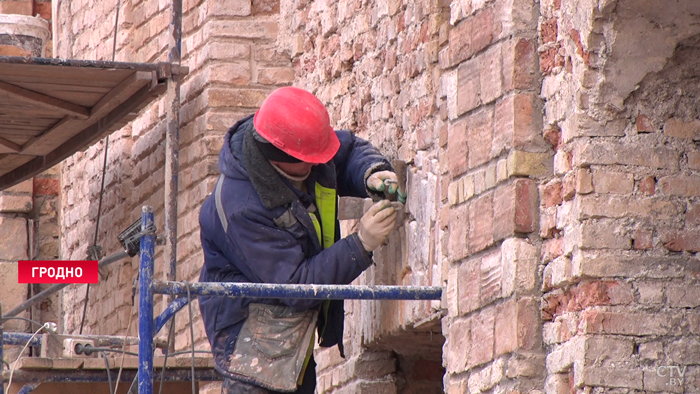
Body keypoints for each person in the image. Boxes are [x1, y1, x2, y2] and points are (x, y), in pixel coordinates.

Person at [198, 86, 403, 394]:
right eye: (305, 161)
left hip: (293, 339)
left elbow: (343, 153)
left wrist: (372, 172)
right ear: (275, 155)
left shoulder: (298, 149)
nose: (314, 166)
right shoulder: (241, 207)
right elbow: (295, 284)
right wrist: (360, 244)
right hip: (255, 353)